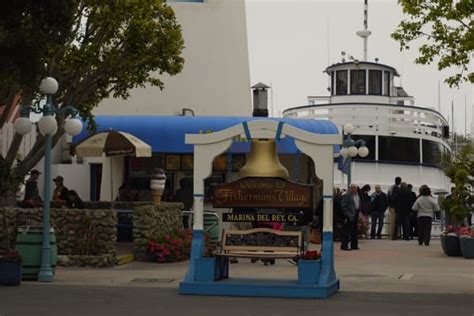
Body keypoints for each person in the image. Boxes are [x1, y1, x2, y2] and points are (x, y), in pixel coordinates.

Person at [340, 183, 360, 251]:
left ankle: (354, 245)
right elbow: (343, 206)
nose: (353, 189)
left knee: (354, 231)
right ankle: (344, 245)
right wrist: (347, 214)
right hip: (350, 215)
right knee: (347, 231)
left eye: (354, 188)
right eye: (352, 188)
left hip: (356, 213)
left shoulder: (357, 195)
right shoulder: (346, 195)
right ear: (349, 188)